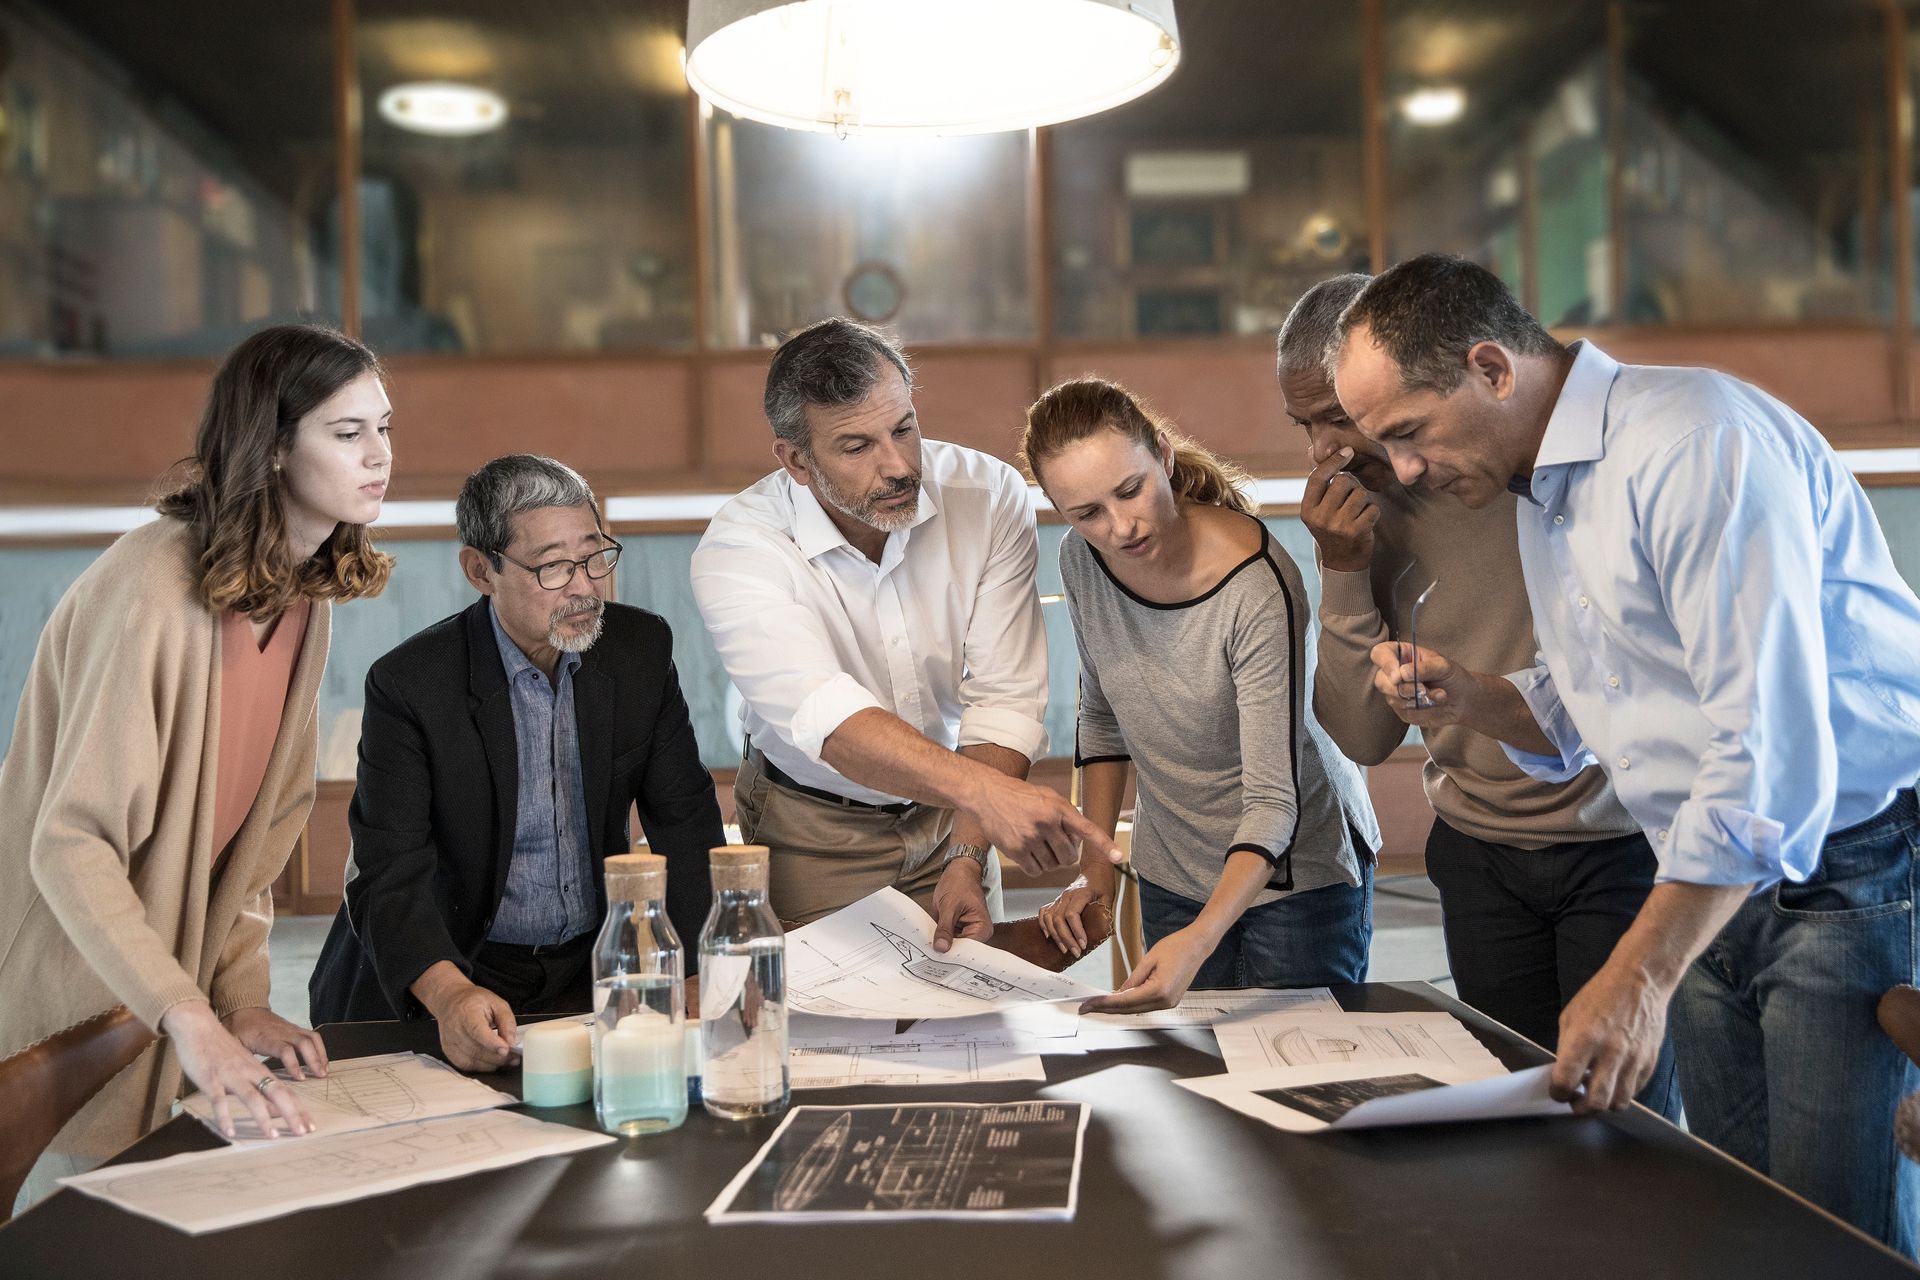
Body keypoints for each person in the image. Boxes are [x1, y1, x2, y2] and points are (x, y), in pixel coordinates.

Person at [1327, 252, 1920, 1254]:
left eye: (1409, 433)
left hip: (1838, 868)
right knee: (1735, 1202)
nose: (1409, 472)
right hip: (1701, 864)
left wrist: (1638, 973)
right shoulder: (1543, 488)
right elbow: (1596, 692)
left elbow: (1769, 747)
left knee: (1830, 1226)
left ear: (1492, 368)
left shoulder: (1693, 442)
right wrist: (1474, 696)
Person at [0, 323, 394, 1209]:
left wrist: (238, 1002)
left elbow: (252, 854)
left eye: (385, 427)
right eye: (347, 432)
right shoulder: (150, 587)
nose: (380, 455)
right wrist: (190, 1016)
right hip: (61, 1019)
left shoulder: (303, 596)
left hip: (161, 1012)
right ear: (273, 445)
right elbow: (70, 845)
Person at [1277, 275, 1679, 1118]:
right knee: (1508, 1118)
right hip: (1480, 848)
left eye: (1337, 418)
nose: (1322, 448)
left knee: (1624, 1120)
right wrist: (1343, 569)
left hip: (1617, 840)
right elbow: (1361, 736)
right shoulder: (1361, 512)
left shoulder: (1519, 470)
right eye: (1305, 424)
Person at [691, 318, 1115, 945]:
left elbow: (1003, 696)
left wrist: (969, 853)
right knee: (831, 1028)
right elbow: (828, 721)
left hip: (954, 819)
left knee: (967, 1016)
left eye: (903, 428)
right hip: (813, 827)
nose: (896, 466)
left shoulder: (990, 494)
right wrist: (987, 794)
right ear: (796, 461)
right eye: (856, 447)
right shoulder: (741, 547)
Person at [308, 455, 721, 1072]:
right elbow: (389, 867)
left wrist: (692, 962)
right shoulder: (412, 685)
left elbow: (684, 818)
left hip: (588, 967)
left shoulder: (638, 650)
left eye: (594, 556)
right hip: (452, 966)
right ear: (481, 570)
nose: (585, 587)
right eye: (553, 566)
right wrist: (449, 993)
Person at [1022, 377, 1380, 1010]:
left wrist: (1201, 940)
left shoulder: (1258, 583)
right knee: (1190, 1078)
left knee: (1299, 1078)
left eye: (1129, 490)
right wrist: (1096, 872)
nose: (1120, 526)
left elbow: (1274, 801)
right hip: (1174, 869)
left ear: (1162, 453)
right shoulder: (1082, 560)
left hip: (1295, 877)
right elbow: (1103, 719)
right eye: (1086, 513)